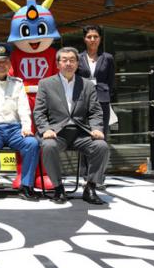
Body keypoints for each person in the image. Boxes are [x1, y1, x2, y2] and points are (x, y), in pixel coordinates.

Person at [34, 47, 109, 205]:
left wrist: (96, 128)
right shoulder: (46, 84)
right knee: (48, 146)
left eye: (72, 60)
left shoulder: (87, 85)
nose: (68, 63)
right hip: (56, 133)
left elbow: (95, 111)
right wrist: (46, 129)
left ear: (77, 64)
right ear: (58, 64)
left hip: (80, 132)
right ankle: (58, 188)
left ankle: (91, 187)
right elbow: (39, 112)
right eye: (65, 60)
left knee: (101, 146)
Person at [0, 43, 39, 201]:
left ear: (9, 64)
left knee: (32, 143)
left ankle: (26, 185)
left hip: (14, 129)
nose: (1, 65)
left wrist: (26, 127)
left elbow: (24, 108)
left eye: (5, 62)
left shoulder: (17, 83)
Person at [77, 25, 115, 140]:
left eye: (95, 36)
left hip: (102, 100)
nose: (92, 39)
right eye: (89, 37)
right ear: (84, 39)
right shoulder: (78, 58)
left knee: (101, 133)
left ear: (100, 38)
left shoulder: (108, 58)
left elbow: (111, 80)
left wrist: (107, 94)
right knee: (84, 133)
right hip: (83, 99)